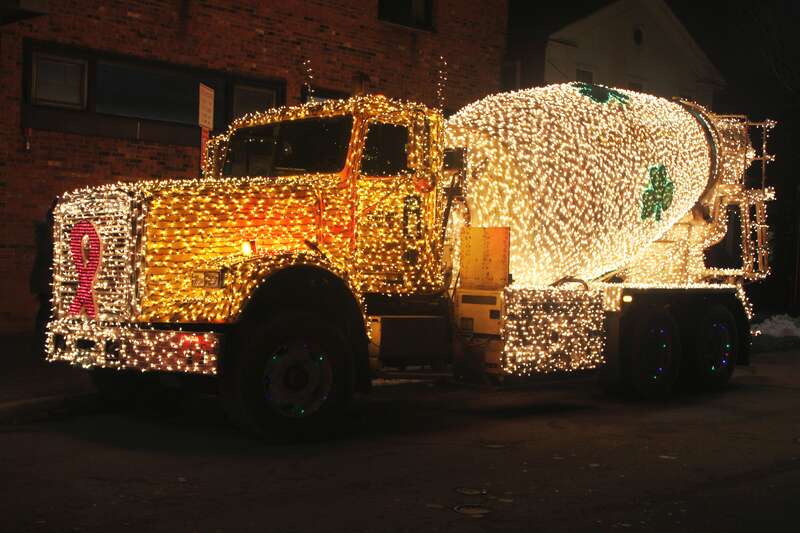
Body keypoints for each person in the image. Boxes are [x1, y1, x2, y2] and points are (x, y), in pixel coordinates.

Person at [30, 201, 55, 359]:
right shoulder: (46, 232)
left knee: (46, 311)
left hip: (44, 280)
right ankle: (42, 345)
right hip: (46, 280)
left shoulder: (45, 231)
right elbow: (48, 253)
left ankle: (42, 344)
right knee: (47, 311)